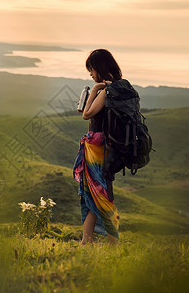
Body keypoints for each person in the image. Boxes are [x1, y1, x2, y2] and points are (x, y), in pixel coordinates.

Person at [73, 49, 121, 245]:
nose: (91, 74)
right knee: (95, 192)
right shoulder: (120, 87)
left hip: (97, 147)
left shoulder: (105, 89)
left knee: (98, 195)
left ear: (99, 68)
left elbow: (87, 114)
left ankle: (112, 242)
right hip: (109, 147)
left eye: (91, 70)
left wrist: (93, 91)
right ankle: (87, 240)